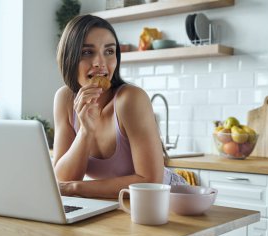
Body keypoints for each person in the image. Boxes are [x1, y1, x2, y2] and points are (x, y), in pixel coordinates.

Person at [53, 14, 186, 199]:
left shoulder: (130, 99)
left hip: (164, 201)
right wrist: (85, 131)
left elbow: (150, 181)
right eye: (87, 52)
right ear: (69, 57)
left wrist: (77, 188)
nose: (101, 63)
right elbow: (62, 179)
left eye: (109, 51)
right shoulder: (65, 99)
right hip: (114, 205)